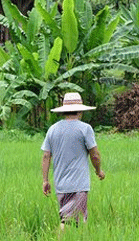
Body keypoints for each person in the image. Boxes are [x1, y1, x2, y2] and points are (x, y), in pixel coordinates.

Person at [41, 92, 105, 231]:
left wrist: (45, 180)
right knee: (70, 222)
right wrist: (98, 170)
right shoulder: (85, 129)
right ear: (80, 110)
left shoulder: (52, 129)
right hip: (78, 185)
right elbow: (94, 154)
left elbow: (46, 156)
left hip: (60, 185)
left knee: (75, 220)